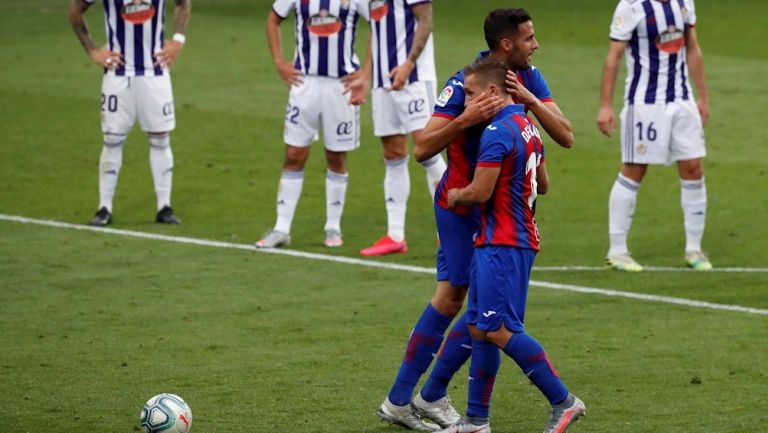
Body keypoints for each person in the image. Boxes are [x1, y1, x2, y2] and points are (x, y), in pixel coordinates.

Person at [376, 8, 574, 431]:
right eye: (529, 38)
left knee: (483, 310)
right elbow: (423, 147)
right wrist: (467, 117)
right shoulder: (463, 85)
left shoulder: (527, 78)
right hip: (463, 205)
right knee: (463, 302)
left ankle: (428, 398)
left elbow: (566, 135)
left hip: (494, 211)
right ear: (507, 45)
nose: (535, 44)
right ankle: (417, 400)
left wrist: (532, 100)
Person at [440, 57, 585, 433]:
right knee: (478, 327)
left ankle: (564, 401)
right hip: (516, 238)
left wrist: (456, 196)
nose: (467, 100)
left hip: (502, 242)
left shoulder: (496, 132)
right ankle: (475, 421)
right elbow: (545, 184)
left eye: (470, 93)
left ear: (491, 92)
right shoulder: (528, 127)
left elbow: (480, 191)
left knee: (500, 330)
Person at [596, 0, 711, 271]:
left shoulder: (684, 3)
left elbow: (692, 48)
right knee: (634, 169)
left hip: (682, 101)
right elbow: (613, 58)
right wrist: (605, 105)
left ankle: (694, 250)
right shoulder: (631, 7)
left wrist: (702, 95)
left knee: (694, 168)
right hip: (645, 104)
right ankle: (617, 250)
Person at [256, 0, 369, 249]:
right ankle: (281, 228)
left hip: (342, 85)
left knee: (336, 156)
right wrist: (279, 62)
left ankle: (333, 226)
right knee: (294, 154)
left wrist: (366, 74)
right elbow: (273, 19)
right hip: (304, 84)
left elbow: (379, 25)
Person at [68, 0, 190, 226]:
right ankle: (104, 208)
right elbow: (75, 10)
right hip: (118, 73)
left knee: (161, 139)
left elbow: (183, 3)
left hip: (155, 72)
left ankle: (164, 207)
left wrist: (178, 41)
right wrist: (93, 51)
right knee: (112, 140)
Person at [357, 0, 448, 256]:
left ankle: (451, 232)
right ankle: (395, 235)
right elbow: (375, 33)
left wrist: (408, 64)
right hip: (382, 82)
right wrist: (366, 76)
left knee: (428, 150)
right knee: (393, 154)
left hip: (415, 79)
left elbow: (426, 20)